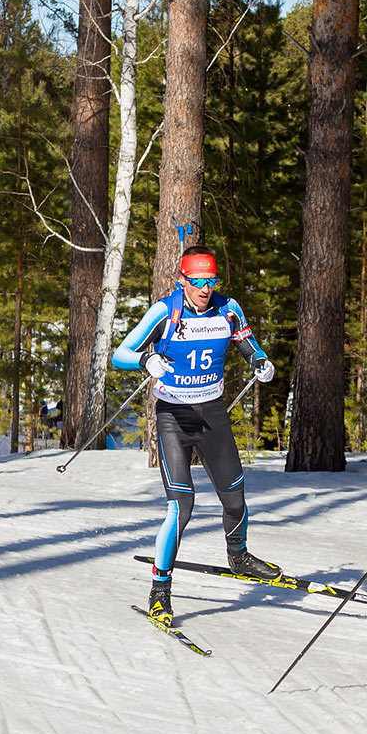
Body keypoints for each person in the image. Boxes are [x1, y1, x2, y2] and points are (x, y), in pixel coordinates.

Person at [111, 242, 279, 623]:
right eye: (198, 281)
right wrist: (146, 358)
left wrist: (260, 361)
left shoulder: (228, 308)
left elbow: (248, 344)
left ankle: (239, 556)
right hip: (174, 417)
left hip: (213, 414)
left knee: (235, 497)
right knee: (181, 507)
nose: (205, 289)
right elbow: (119, 354)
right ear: (183, 280)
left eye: (211, 280)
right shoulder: (164, 311)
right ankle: (160, 591)